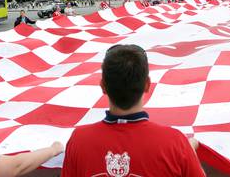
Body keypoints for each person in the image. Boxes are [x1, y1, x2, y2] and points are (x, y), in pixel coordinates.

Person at [61, 45, 205, 177]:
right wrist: (187, 151)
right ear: (147, 85)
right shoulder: (175, 142)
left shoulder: (79, 141)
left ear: (103, 86)